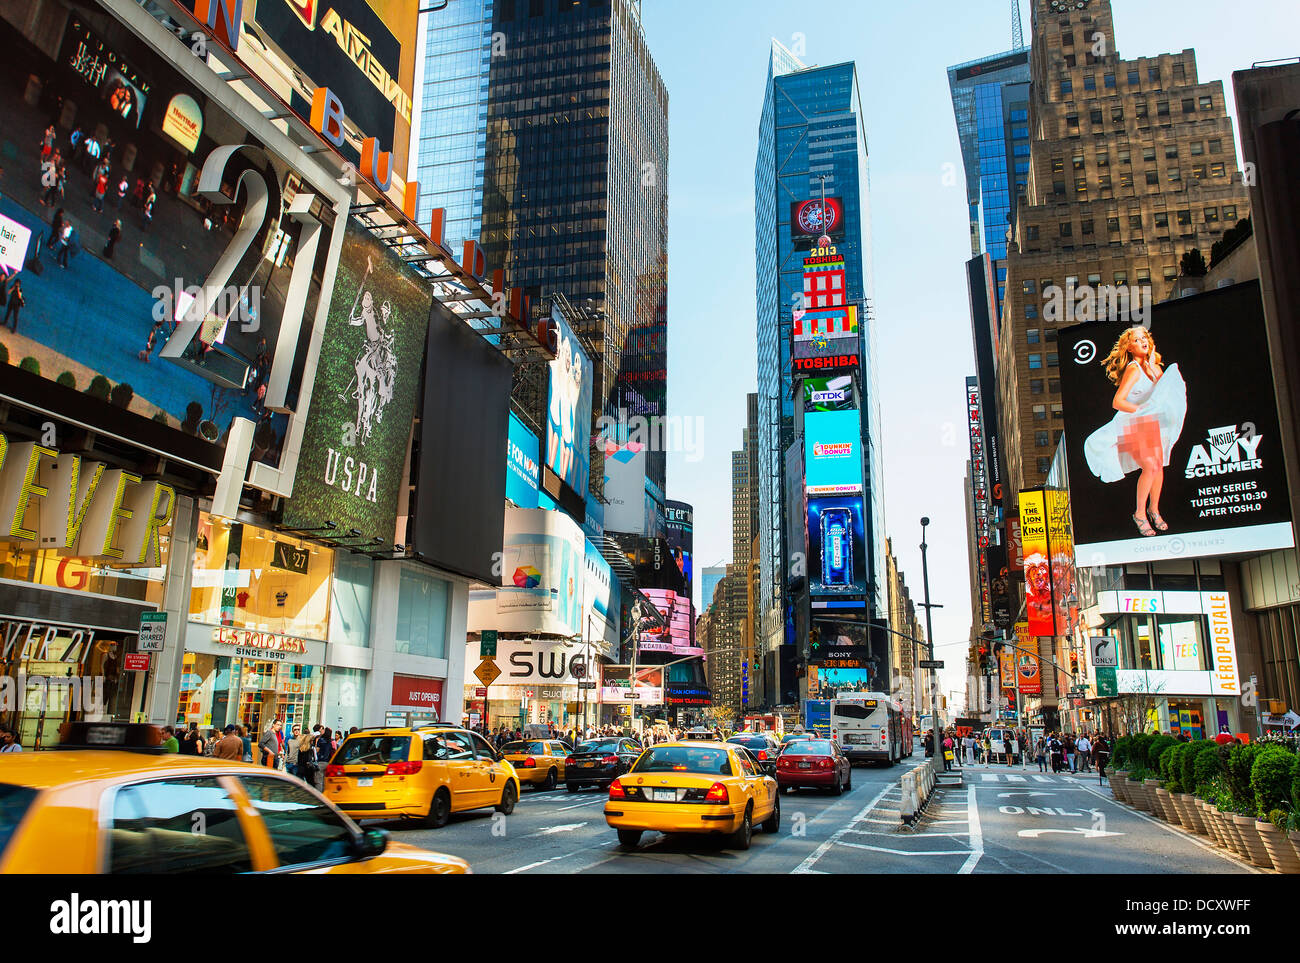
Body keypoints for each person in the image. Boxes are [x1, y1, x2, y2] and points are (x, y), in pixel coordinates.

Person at [1083, 326, 1187, 536]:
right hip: (1131, 423)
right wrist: (1140, 410)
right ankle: (1140, 513)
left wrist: (1151, 366)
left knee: (1158, 466)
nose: (1143, 342)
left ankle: (1154, 509)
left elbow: (1163, 395)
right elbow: (1118, 402)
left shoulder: (1155, 368)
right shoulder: (1132, 369)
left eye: (1145, 338)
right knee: (1149, 466)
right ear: (1129, 347)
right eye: (1138, 340)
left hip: (1152, 423)